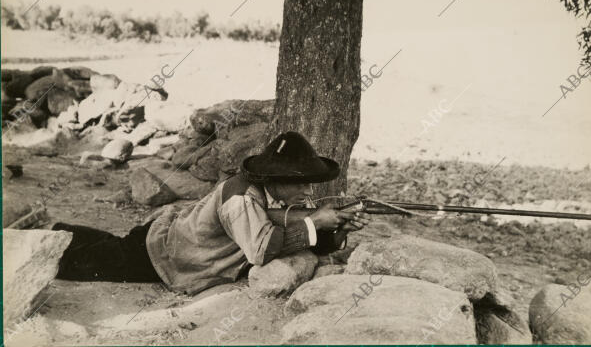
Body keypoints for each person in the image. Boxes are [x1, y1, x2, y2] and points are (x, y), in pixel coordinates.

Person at [53, 131, 370, 295]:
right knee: (76, 262)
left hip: (168, 241)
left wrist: (339, 229)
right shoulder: (242, 197)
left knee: (107, 246)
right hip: (162, 254)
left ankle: (56, 231)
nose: (309, 193)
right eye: (302, 185)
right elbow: (261, 250)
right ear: (278, 179)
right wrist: (315, 222)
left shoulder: (275, 196)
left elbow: (292, 236)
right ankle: (43, 238)